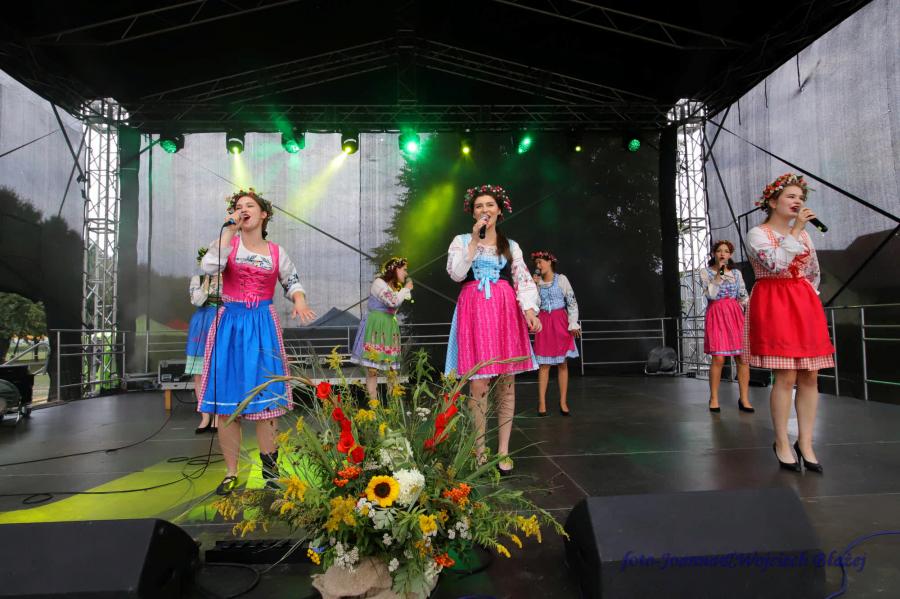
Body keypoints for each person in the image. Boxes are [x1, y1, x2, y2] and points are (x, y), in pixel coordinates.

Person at [199, 188, 316, 495]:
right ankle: (231, 472)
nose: (243, 209)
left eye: (250, 205)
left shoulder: (276, 252)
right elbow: (209, 267)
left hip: (262, 325)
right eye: (238, 206)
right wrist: (228, 231)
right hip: (231, 325)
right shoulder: (227, 244)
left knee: (268, 402)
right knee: (228, 406)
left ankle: (270, 471)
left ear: (264, 214)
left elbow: (292, 281)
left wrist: (300, 301)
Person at [445, 184, 541, 475]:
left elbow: (522, 278)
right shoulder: (462, 240)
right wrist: (475, 241)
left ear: (499, 210)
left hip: (503, 309)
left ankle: (503, 450)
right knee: (478, 384)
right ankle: (479, 450)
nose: (484, 209)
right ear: (472, 213)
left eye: (489, 205)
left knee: (506, 383)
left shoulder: (510, 245)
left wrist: (529, 310)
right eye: (479, 206)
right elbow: (456, 274)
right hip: (474, 309)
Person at [745, 173, 834, 474]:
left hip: (803, 302)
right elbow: (776, 264)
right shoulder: (758, 233)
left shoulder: (805, 235)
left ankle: (805, 443)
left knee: (810, 375)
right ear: (772, 202)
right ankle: (782, 441)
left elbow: (813, 271)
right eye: (791, 196)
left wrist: (807, 297)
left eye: (801, 198)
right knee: (785, 376)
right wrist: (796, 230)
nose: (798, 202)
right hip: (774, 302)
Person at [700, 240, 753, 414]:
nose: (723, 254)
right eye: (719, 251)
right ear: (713, 253)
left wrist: (749, 308)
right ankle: (714, 398)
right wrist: (721, 272)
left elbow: (743, 296)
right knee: (719, 358)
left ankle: (744, 398)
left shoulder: (736, 273)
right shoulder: (706, 272)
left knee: (742, 358)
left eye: (726, 251)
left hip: (735, 314)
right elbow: (711, 294)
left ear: (730, 255)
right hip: (717, 313)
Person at [349, 257, 414, 399]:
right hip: (376, 326)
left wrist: (402, 291)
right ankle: (374, 404)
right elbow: (393, 302)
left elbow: (394, 309)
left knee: (392, 370)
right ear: (395, 269)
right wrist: (406, 289)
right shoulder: (379, 283)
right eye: (404, 270)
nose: (406, 273)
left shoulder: (394, 288)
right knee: (372, 369)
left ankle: (393, 403)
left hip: (389, 327)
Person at [530, 250, 580, 416]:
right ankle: (542, 402)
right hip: (544, 323)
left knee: (562, 363)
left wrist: (573, 323)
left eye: (540, 262)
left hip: (560, 322)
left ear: (549, 262)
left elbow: (571, 302)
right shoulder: (537, 283)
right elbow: (534, 304)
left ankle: (563, 401)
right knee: (544, 365)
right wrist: (534, 286)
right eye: (536, 263)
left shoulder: (561, 279)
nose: (538, 266)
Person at [185, 247, 221, 433]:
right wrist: (207, 281)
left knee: (218, 371)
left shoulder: (229, 280)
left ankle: (218, 415)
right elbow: (197, 301)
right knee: (198, 373)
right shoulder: (197, 279)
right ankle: (205, 415)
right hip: (201, 325)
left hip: (222, 322)